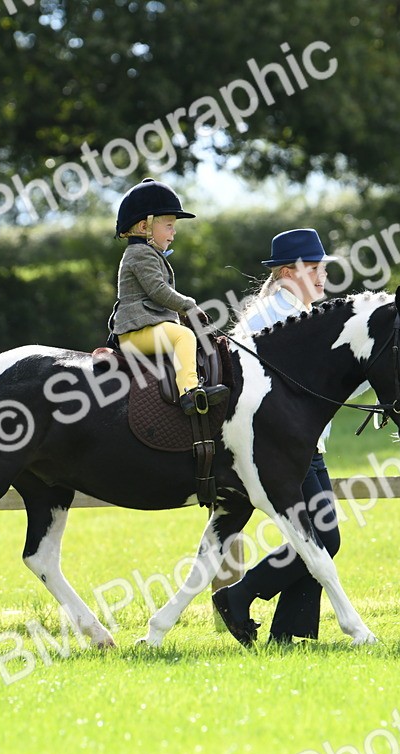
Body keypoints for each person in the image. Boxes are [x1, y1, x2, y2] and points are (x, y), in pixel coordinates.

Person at [213, 228, 344, 646]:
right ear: (289, 272)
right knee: (324, 538)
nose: (322, 275)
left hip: (307, 445)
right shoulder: (266, 319)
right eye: (314, 268)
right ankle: (240, 595)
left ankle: (290, 633)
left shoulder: (306, 315)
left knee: (320, 536)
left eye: (323, 267)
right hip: (278, 447)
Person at [108, 178, 228, 415]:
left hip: (147, 326)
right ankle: (190, 392)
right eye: (169, 226)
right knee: (183, 336)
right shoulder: (139, 254)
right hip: (134, 332)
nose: (173, 234)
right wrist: (188, 306)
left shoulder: (146, 252)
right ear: (144, 227)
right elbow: (158, 291)